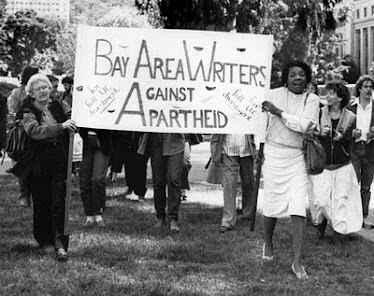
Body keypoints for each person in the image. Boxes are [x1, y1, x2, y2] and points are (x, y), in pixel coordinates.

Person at [8, 73, 76, 262]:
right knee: (41, 201)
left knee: (58, 200)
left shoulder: (58, 104)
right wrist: (61, 126)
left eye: (45, 87)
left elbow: (73, 116)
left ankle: (60, 244)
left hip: (59, 158)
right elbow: (35, 131)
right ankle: (43, 240)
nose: (43, 91)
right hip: (38, 161)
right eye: (39, 88)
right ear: (31, 92)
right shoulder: (27, 110)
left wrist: (73, 119)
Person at [261, 61, 319, 280]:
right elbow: (260, 121)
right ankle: (267, 242)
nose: (297, 78)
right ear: (286, 77)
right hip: (274, 155)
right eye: (293, 74)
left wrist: (279, 113)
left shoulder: (311, 99)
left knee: (298, 206)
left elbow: (305, 126)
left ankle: (297, 261)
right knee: (271, 204)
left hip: (297, 157)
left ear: (307, 78)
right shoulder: (272, 94)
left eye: (302, 75)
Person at [310, 81, 363, 238]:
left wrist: (344, 137)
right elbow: (311, 136)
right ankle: (325, 223)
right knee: (321, 200)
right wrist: (321, 135)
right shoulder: (319, 113)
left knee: (340, 200)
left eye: (332, 93)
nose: (328, 96)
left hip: (342, 165)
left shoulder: (350, 117)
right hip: (322, 165)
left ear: (340, 97)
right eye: (327, 92)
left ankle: (338, 233)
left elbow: (353, 142)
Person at [138, 133, 185, 232]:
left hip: (175, 142)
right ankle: (160, 216)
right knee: (158, 181)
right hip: (156, 143)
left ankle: (173, 218)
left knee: (174, 179)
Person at [7, 64, 39, 207]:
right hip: (22, 136)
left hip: (37, 134)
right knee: (22, 165)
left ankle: (32, 195)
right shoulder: (17, 93)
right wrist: (22, 121)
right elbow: (12, 112)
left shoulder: (39, 92)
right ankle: (23, 195)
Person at [210, 133, 256, 233]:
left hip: (246, 149)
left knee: (248, 182)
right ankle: (228, 220)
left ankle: (248, 213)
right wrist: (215, 147)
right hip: (227, 149)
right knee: (229, 184)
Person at [347, 75, 374, 229]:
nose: (369, 90)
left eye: (371, 87)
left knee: (366, 186)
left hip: (370, 148)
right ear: (359, 89)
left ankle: (363, 216)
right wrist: (352, 134)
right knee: (352, 183)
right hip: (355, 148)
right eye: (366, 87)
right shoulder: (351, 107)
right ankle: (352, 215)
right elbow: (342, 129)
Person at [79, 127, 113, 227]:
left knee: (98, 178)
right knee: (84, 180)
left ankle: (98, 214)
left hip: (102, 143)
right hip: (84, 143)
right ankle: (89, 216)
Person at [110, 131, 147, 201]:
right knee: (128, 163)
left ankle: (140, 192)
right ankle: (131, 187)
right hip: (125, 136)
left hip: (138, 137)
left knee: (140, 165)